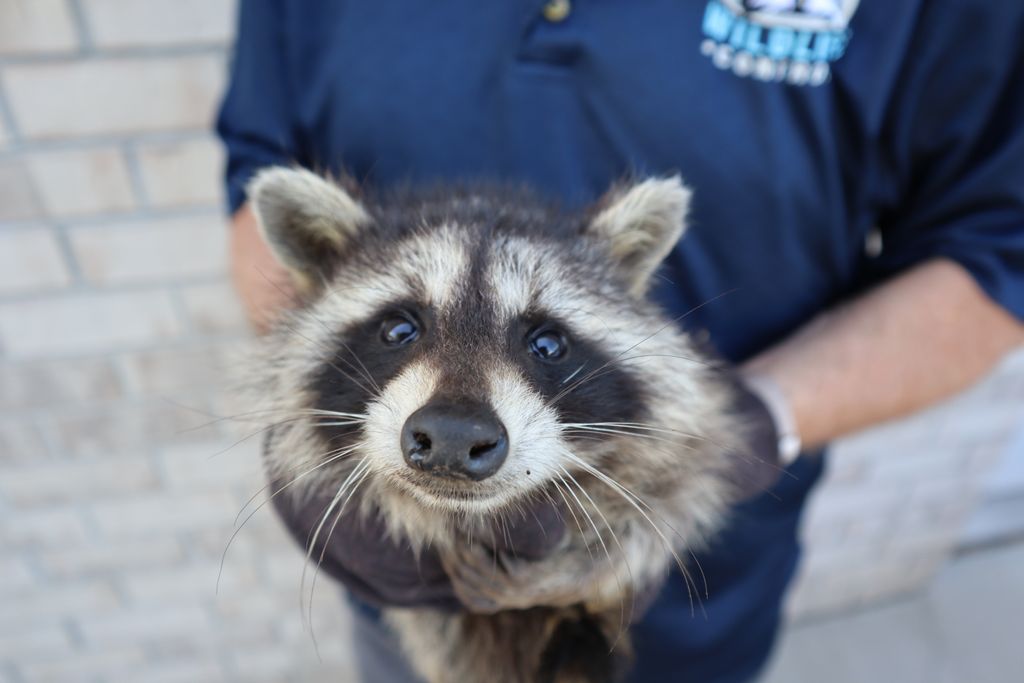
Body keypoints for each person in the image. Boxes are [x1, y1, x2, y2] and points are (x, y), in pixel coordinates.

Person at [217, 1, 1024, 681]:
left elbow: (1001, 247)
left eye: (543, 345)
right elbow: (265, 174)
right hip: (401, 598)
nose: (455, 421)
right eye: (401, 330)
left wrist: (750, 422)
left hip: (691, 608)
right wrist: (307, 425)